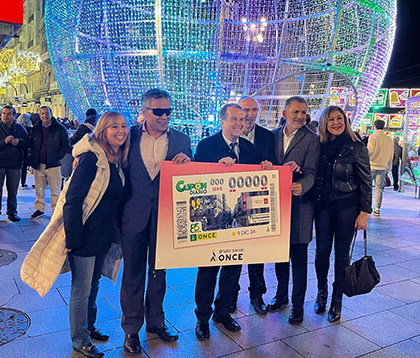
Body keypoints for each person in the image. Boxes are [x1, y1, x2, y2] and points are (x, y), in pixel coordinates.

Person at [120, 89, 192, 355]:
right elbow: (101, 149)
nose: (164, 117)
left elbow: (190, 180)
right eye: (158, 112)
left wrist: (187, 164)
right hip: (133, 217)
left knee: (159, 272)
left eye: (168, 112)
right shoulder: (127, 136)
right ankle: (131, 330)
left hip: (165, 218)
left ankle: (156, 321)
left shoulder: (182, 139)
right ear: (144, 111)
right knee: (132, 275)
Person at [193, 103, 273, 340]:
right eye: (234, 119)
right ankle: (202, 317)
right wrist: (215, 170)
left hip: (240, 222)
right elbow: (196, 180)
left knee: (233, 269)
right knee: (207, 270)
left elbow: (257, 182)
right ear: (222, 121)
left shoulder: (249, 148)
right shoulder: (206, 145)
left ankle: (223, 312)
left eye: (242, 119)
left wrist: (265, 168)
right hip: (213, 221)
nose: (240, 122)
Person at [61, 111, 130, 358]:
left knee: (93, 283)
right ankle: (79, 339)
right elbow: (73, 200)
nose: (121, 130)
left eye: (124, 126)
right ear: (102, 130)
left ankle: (88, 328)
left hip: (103, 235)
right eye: (114, 127)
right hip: (86, 234)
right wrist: (73, 238)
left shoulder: (115, 158)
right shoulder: (91, 158)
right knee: (81, 287)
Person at [314, 106, 372, 322]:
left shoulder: (356, 147)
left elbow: (366, 181)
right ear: (324, 123)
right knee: (321, 254)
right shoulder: (318, 145)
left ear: (346, 121)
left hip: (347, 207)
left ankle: (336, 301)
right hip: (323, 207)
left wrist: (364, 212)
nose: (336, 123)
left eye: (340, 118)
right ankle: (322, 293)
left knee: (341, 256)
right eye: (331, 119)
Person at [269, 96, 320, 324]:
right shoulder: (272, 136)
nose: (300, 116)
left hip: (300, 207)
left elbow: (312, 172)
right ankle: (281, 296)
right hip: (276, 207)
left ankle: (297, 306)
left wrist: (302, 184)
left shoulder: (312, 139)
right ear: (284, 114)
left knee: (299, 260)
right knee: (279, 257)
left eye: (303, 112)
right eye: (295, 112)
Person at [229, 96, 276, 316]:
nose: (249, 114)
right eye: (245, 109)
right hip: (230, 205)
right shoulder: (227, 135)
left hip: (256, 204)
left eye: (254, 110)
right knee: (232, 254)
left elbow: (273, 165)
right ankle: (230, 295)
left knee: (256, 254)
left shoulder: (268, 136)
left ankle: (257, 295)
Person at [29, 106, 70, 219]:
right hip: (39, 164)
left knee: (55, 189)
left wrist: (57, 157)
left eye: (47, 113)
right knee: (40, 188)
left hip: (53, 164)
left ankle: (55, 210)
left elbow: (66, 145)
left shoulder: (59, 128)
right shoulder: (36, 128)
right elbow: (31, 143)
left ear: (51, 114)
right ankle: (39, 208)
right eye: (42, 113)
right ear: (40, 115)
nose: (45, 116)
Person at [0, 106, 29, 221]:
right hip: (0, 163)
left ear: (14, 116)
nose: (5, 116)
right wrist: (4, 141)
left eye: (8, 114)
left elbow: (28, 143)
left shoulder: (20, 128)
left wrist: (20, 142)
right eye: (4, 113)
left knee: (12, 190)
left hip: (14, 164)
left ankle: (12, 212)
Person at [367, 120, 393, 216]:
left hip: (371, 165)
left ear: (374, 126)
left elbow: (369, 151)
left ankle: (368, 207)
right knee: (379, 188)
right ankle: (377, 208)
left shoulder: (373, 137)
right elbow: (391, 154)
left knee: (368, 187)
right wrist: (389, 167)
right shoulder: (389, 139)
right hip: (383, 167)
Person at [17, 113, 32, 188]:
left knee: (17, 167)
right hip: (26, 150)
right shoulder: (30, 130)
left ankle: (17, 181)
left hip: (18, 149)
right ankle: (23, 182)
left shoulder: (17, 129)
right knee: (24, 167)